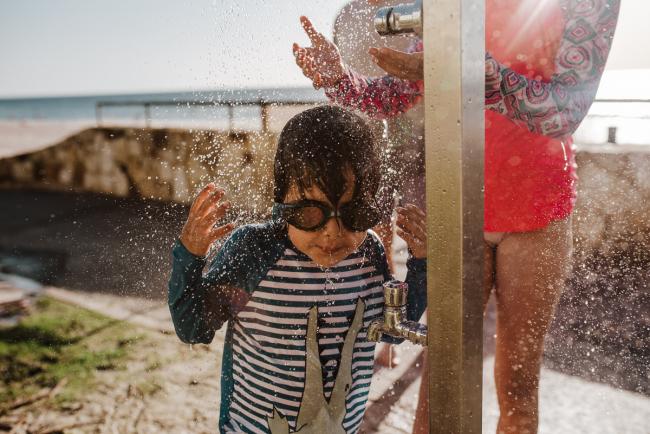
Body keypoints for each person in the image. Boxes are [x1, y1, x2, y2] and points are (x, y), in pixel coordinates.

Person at [291, 1, 620, 433]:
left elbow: (565, 112)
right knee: (440, 388)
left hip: (539, 210)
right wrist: (339, 79)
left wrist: (461, 67)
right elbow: (398, 94)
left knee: (519, 392)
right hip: (456, 207)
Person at [168, 106, 428, 433]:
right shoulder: (255, 251)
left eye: (354, 213)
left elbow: (391, 330)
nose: (333, 232)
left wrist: (422, 265)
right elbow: (193, 328)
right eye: (310, 213)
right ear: (282, 198)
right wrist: (189, 256)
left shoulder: (368, 252)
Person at [333, 0, 426, 369]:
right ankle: (387, 330)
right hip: (370, 141)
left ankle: (420, 317)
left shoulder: (418, 8)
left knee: (422, 236)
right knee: (378, 239)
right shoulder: (345, 16)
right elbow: (343, 82)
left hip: (423, 139)